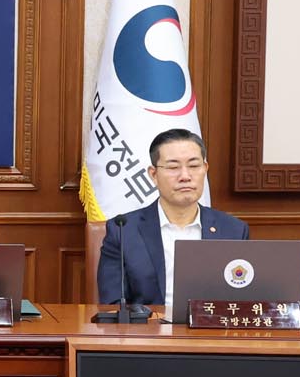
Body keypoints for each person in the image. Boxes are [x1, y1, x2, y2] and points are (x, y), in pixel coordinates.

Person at [96, 128, 250, 309]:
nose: (185, 176)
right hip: (149, 326)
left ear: (205, 169)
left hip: (211, 325)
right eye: (173, 167)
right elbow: (112, 305)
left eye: (194, 166)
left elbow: (243, 300)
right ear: (153, 175)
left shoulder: (234, 231)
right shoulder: (123, 230)